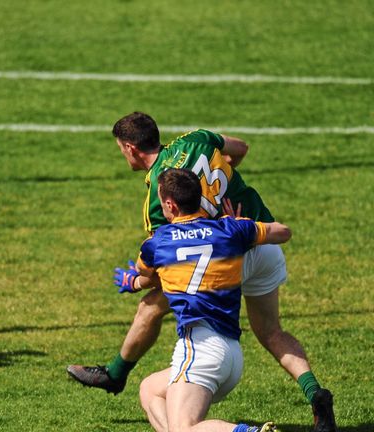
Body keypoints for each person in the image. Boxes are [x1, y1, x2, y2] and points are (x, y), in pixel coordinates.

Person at [66, 112, 336, 431]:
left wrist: (135, 280)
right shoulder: (197, 139)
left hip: (222, 258)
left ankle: (115, 373)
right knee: (271, 331)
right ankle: (315, 394)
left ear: (130, 148)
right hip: (260, 241)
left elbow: (162, 266)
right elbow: (241, 149)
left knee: (151, 304)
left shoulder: (157, 196)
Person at [120, 168, 289, 432]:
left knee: (186, 428)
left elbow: (147, 276)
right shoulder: (231, 229)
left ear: (169, 204)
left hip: (199, 347)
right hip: (231, 354)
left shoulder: (157, 242)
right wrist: (243, 224)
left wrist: (131, 282)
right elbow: (283, 232)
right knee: (150, 390)